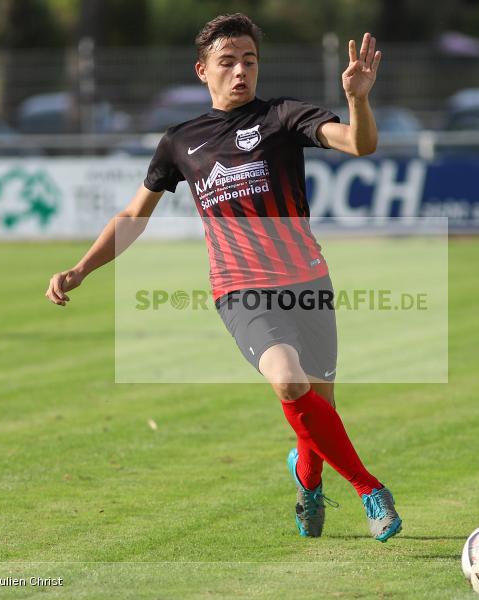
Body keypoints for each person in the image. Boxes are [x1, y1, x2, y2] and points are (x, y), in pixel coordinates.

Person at [45, 13, 402, 542]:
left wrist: (358, 99)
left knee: (316, 417)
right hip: (241, 291)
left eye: (249, 61)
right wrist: (81, 268)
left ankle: (307, 484)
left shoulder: (284, 116)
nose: (240, 72)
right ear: (202, 70)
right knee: (287, 380)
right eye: (227, 62)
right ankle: (372, 490)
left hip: (307, 285)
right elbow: (132, 217)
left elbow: (359, 144)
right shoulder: (179, 142)